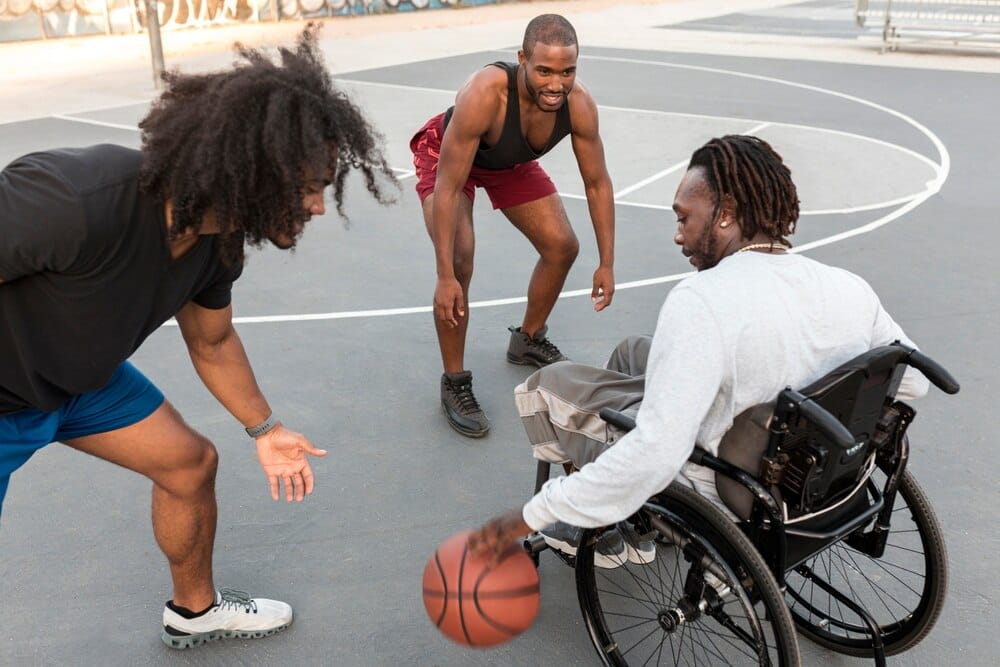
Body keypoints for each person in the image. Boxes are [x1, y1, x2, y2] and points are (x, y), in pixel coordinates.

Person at [0, 27, 395, 648]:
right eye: (309, 185)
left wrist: (267, 429)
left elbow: (212, 342)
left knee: (189, 464)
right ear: (251, 170)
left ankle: (195, 611)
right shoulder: (76, 199)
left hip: (78, 385)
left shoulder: (218, 243)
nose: (319, 206)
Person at [467, 134, 929, 563]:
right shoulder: (848, 288)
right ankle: (623, 510)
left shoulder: (702, 300)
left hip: (726, 479)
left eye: (684, 217)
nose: (677, 234)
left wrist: (538, 510)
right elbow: (912, 380)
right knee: (632, 353)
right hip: (806, 468)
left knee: (545, 385)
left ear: (725, 214)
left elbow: (657, 452)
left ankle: (593, 524)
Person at [410, 13, 616, 438]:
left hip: (506, 161)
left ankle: (527, 338)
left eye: (567, 71)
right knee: (461, 256)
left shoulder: (578, 104)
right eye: (544, 70)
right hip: (448, 159)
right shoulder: (486, 94)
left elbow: (597, 183)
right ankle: (454, 381)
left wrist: (607, 261)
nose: (556, 83)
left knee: (562, 245)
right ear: (522, 59)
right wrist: (445, 274)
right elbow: (448, 187)